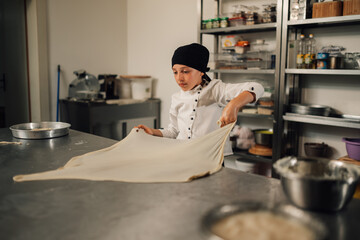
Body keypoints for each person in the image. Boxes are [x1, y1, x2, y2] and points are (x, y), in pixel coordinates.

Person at [136, 43, 264, 155]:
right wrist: (152, 132)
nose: (179, 78)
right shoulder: (176, 97)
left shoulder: (215, 89)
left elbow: (256, 87)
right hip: (182, 155)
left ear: (201, 71)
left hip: (211, 156)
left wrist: (233, 105)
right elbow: (174, 131)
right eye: (175, 72)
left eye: (185, 71)